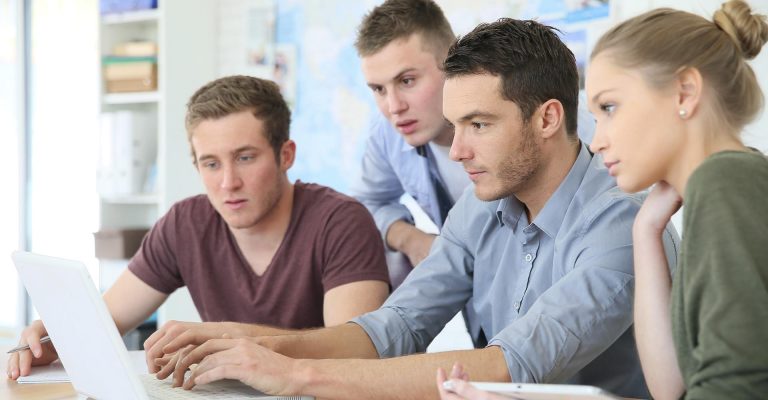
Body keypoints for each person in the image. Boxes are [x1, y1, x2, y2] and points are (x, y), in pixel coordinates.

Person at [149, 19, 679, 399]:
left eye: (480, 124)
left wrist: (295, 375)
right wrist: (245, 340)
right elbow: (393, 328)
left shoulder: (618, 227)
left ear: (546, 119)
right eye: (457, 125)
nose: (459, 149)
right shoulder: (479, 205)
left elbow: (509, 368)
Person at [6, 75, 390, 381]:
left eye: (244, 157)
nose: (228, 183)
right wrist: (55, 337)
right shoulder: (184, 224)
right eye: (210, 164)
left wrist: (237, 336)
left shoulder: (342, 222)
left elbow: (357, 349)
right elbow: (103, 321)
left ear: (285, 155)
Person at [587, 2, 768, 399]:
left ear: (685, 91)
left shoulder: (726, 183)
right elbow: (671, 388)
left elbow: (735, 388)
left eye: (609, 107)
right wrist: (645, 230)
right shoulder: (725, 184)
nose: (596, 140)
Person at [350, 0, 596, 283]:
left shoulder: (578, 130)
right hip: (482, 304)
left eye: (407, 81)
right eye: (378, 89)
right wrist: (410, 239)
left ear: (451, 63)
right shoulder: (387, 134)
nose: (393, 107)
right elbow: (366, 203)